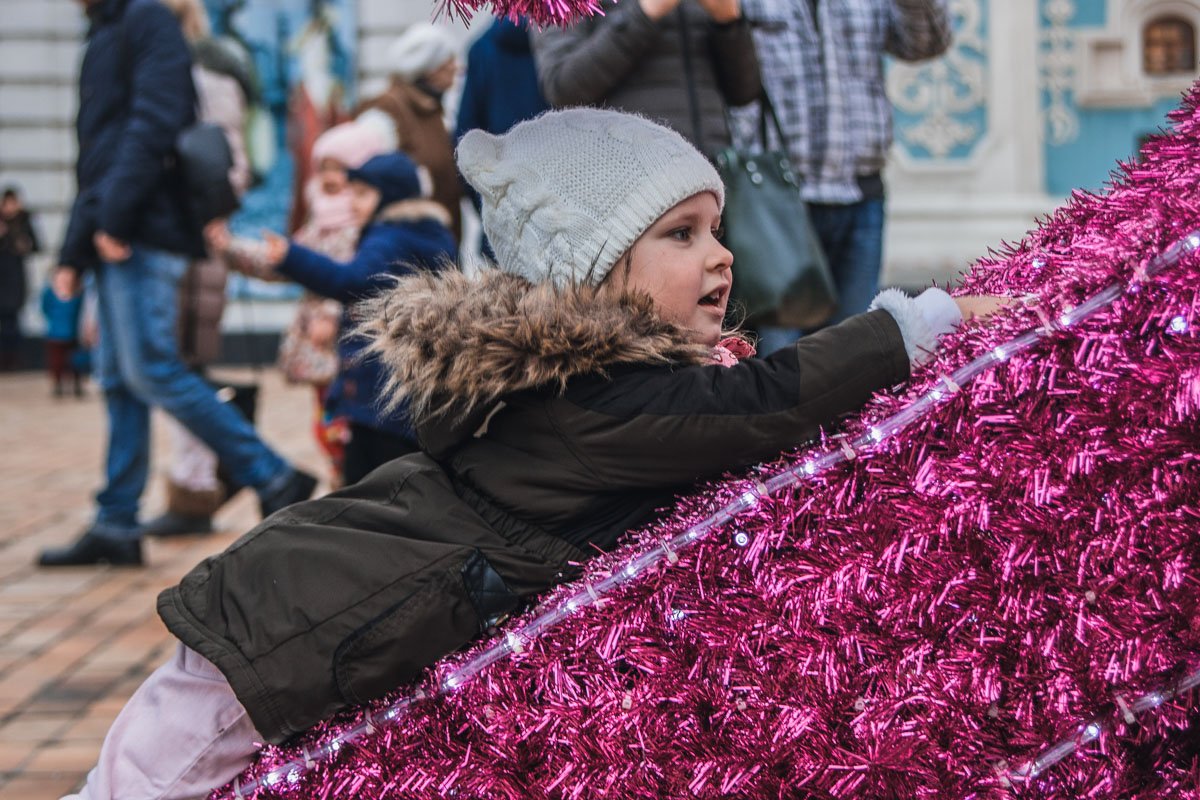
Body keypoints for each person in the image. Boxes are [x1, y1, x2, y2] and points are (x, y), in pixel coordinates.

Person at [66, 108, 1004, 799]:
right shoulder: (589, 402)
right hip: (285, 638)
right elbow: (758, 407)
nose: (720, 257)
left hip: (308, 607)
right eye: (681, 235)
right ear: (588, 272)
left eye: (714, 229)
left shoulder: (591, 385)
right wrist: (915, 325)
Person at [39, 0, 316, 569]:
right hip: (121, 229)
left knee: (153, 368)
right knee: (120, 379)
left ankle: (274, 473)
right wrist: (74, 249)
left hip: (143, 229)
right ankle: (116, 522)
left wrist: (112, 218)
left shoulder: (147, 21)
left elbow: (154, 122)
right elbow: (97, 156)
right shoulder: (109, 30)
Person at [213, 151, 457, 484]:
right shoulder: (426, 234)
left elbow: (352, 281)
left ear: (391, 197)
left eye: (362, 194)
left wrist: (291, 256)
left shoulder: (388, 238)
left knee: (370, 485)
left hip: (379, 398)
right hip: (402, 392)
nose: (352, 202)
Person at [736, 0, 952, 353]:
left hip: (860, 192)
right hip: (777, 200)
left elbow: (926, 43)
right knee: (781, 363)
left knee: (855, 358)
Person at [215, 111, 398, 487]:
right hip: (319, 348)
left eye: (341, 169)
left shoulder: (364, 226)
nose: (331, 178)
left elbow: (357, 275)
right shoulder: (319, 221)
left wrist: (333, 312)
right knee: (325, 423)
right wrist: (232, 249)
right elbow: (284, 261)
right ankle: (341, 479)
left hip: (348, 343)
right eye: (324, 169)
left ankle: (353, 483)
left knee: (346, 424)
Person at [138, 0, 255, 538]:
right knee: (177, 363)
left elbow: (225, 166)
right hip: (184, 237)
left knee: (179, 364)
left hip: (186, 240)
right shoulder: (203, 72)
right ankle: (199, 482)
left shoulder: (202, 75)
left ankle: (205, 483)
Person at [531, 0, 761, 158]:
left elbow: (745, 92)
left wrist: (729, 21)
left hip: (711, 179)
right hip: (626, 182)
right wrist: (645, 13)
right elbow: (562, 87)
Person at [357, 23, 463, 241]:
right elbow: (366, 185)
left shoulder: (435, 111)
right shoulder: (385, 113)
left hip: (439, 244)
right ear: (428, 68)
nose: (457, 68)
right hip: (405, 250)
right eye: (448, 61)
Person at [453, 15, 547, 258]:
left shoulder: (483, 48)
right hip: (566, 212)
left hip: (504, 213)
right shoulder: (570, 41)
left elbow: (466, 135)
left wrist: (488, 207)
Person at [0, 187, 39, 371]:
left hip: (15, 279)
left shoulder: (23, 222)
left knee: (13, 320)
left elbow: (36, 246)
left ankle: (13, 360)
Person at [40, 269, 85, 397]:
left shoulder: (78, 292)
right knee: (56, 362)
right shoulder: (49, 292)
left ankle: (77, 386)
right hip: (55, 335)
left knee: (76, 362)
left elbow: (82, 312)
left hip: (74, 334)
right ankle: (58, 386)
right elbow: (45, 308)